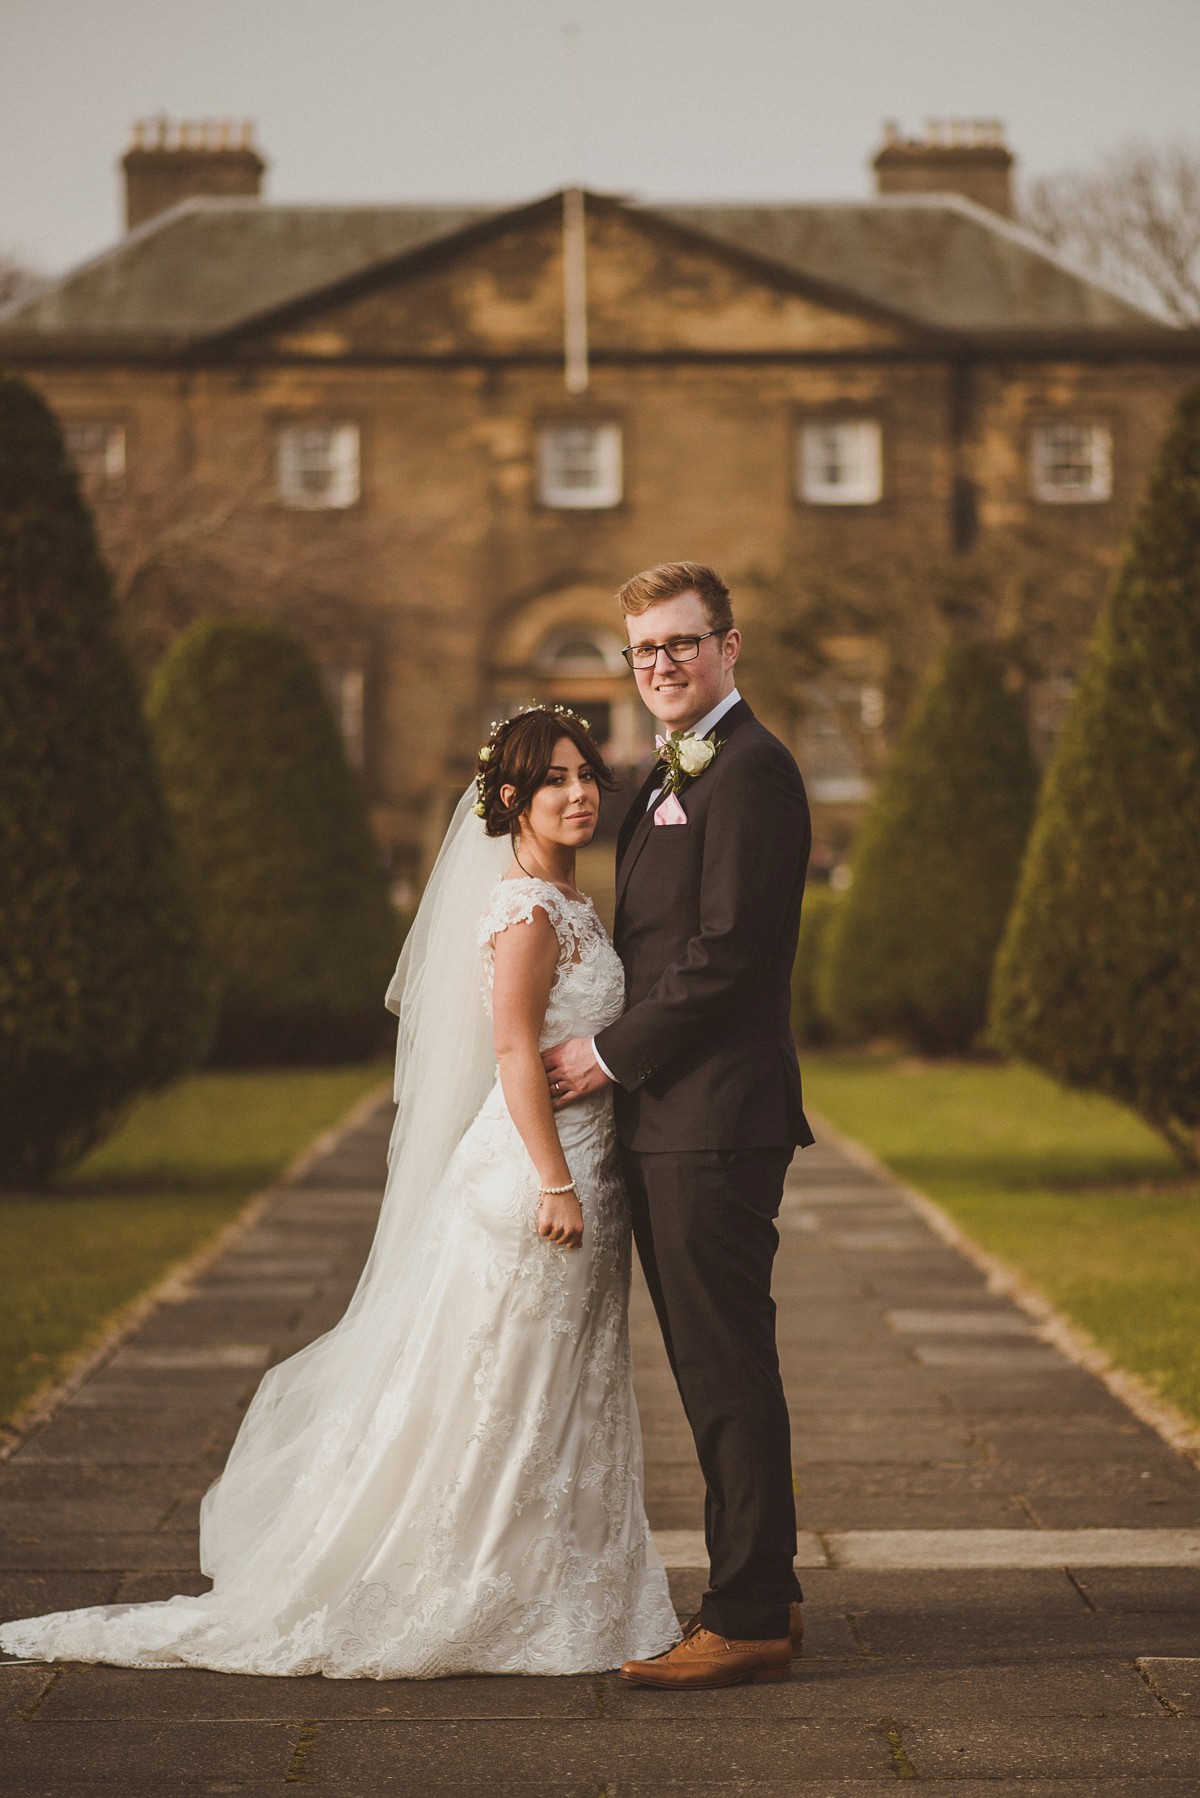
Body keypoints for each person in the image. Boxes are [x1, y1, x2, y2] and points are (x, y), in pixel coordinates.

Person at [0, 707, 678, 1678]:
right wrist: (555, 1179)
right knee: (509, 1386)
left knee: (561, 1384)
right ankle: (479, 1583)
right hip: (540, 1178)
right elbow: (512, 1051)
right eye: (551, 780)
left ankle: (558, 1580)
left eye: (584, 774)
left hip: (579, 1169)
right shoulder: (526, 909)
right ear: (511, 799)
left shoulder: (565, 896)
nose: (576, 793)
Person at [543, 561, 813, 1691]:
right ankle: (758, 1592)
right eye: (644, 650)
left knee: (722, 1362)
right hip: (673, 1120)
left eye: (681, 644)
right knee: (711, 1362)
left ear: (729, 646)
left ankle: (750, 1609)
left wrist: (606, 1054)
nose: (661, 664)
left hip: (712, 1121)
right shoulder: (672, 765)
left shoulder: (748, 771)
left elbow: (727, 951)